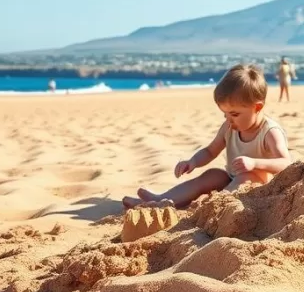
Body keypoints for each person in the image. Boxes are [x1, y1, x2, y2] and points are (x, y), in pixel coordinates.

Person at [123, 64, 291, 208]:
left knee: (247, 176)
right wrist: (193, 162)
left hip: (261, 187)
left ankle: (212, 208)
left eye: (234, 114)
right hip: (232, 178)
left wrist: (254, 163)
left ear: (257, 108)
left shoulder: (269, 132)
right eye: (225, 114)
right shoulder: (229, 127)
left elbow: (285, 163)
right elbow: (211, 151)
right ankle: (162, 201)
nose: (228, 120)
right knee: (212, 175)